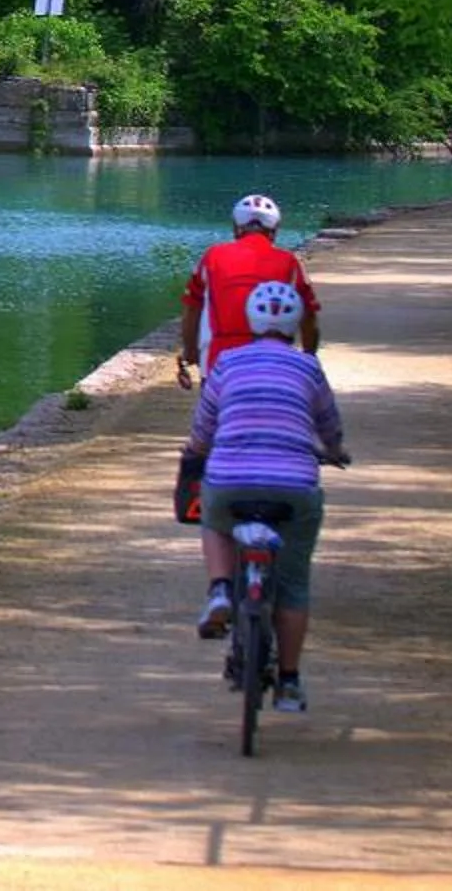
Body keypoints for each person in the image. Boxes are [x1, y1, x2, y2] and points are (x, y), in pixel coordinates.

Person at [188, 279, 350, 713]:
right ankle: (290, 681)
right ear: (295, 325)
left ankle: (220, 589)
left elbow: (203, 428)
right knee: (293, 586)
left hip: (231, 480)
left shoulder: (227, 363)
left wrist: (196, 451)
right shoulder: (308, 368)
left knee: (214, 519)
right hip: (294, 485)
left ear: (251, 321)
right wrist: (335, 451)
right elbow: (329, 424)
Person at [177, 193, 319, 388]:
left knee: (213, 406)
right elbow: (308, 314)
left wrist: (190, 351)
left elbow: (192, 309)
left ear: (236, 227)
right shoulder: (290, 262)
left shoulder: (211, 257)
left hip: (218, 362)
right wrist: (309, 356)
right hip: (273, 364)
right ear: (274, 229)